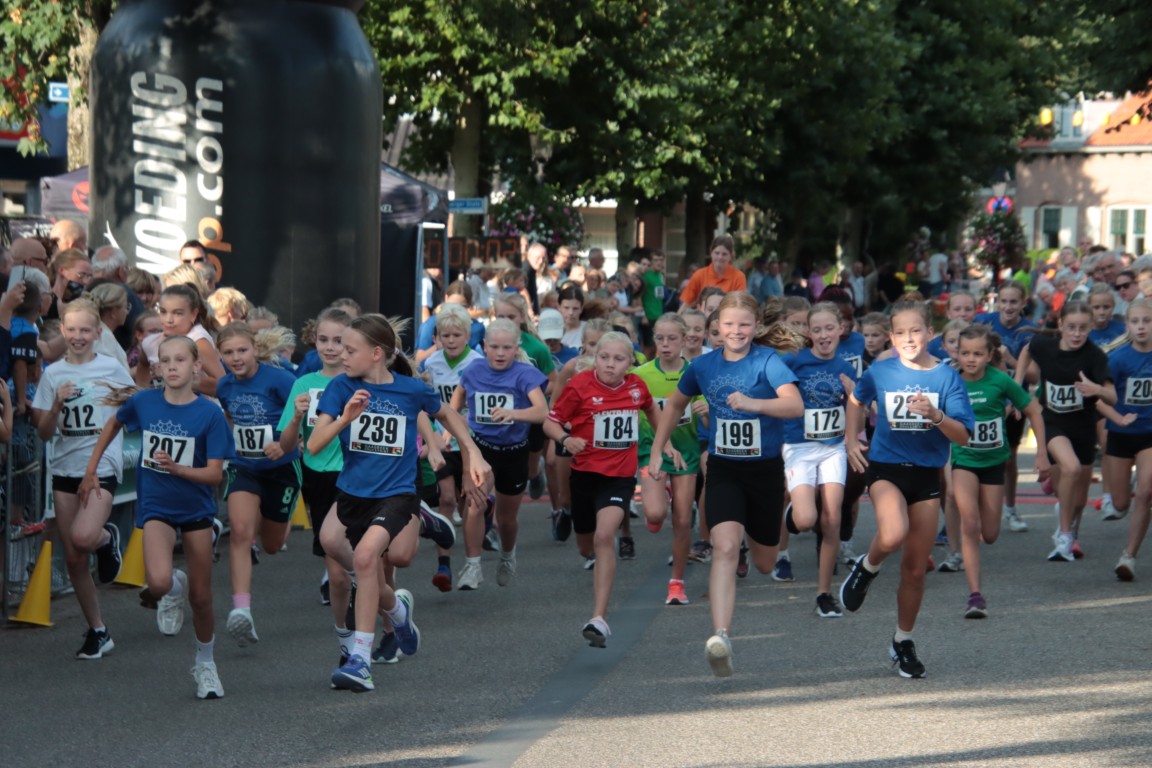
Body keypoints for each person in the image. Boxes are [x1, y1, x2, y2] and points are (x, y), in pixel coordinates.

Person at [308, 314, 490, 692]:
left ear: (376, 353)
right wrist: (345, 419)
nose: (342, 355)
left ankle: (360, 660)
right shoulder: (341, 387)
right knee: (331, 542)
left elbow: (447, 414)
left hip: (396, 494)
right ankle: (396, 609)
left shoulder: (410, 390)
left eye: (350, 349)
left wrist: (472, 453)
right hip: (353, 493)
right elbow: (314, 445)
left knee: (366, 558)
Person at [649, 292, 803, 676]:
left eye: (744, 324)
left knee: (765, 563)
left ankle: (770, 525)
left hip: (765, 471)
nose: (736, 331)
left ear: (756, 326)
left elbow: (794, 405)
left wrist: (755, 404)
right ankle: (721, 638)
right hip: (724, 468)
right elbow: (675, 404)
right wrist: (657, 449)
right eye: (729, 324)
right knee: (725, 546)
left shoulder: (767, 362)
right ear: (716, 327)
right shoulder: (703, 366)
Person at [79, 335, 234, 699]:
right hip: (157, 506)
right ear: (158, 368)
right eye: (166, 360)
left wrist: (177, 469)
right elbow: (114, 424)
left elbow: (214, 475)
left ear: (196, 366)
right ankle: (172, 587)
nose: (173, 366)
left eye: (181, 359)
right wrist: (91, 469)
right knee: (160, 583)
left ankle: (206, 664)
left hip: (196, 508)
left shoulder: (209, 414)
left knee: (202, 597)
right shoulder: (144, 402)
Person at [839, 299, 975, 679]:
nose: (909, 338)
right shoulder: (881, 372)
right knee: (893, 532)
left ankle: (903, 641)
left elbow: (963, 436)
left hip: (926, 476)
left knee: (915, 570)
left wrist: (937, 416)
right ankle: (867, 566)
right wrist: (851, 439)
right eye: (900, 332)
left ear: (930, 333)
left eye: (916, 330)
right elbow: (856, 399)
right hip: (886, 468)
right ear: (891, 337)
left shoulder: (947, 378)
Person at [546, 332, 675, 648]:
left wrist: (663, 444)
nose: (610, 364)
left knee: (605, 537)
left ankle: (599, 618)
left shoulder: (636, 387)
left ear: (630, 363)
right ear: (595, 358)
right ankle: (574, 524)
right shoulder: (580, 385)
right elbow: (550, 422)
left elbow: (652, 411)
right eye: (604, 357)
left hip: (619, 478)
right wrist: (565, 439)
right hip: (583, 476)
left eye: (618, 359)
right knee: (586, 545)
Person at [32, 299, 136, 659]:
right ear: (62, 331)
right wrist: (56, 406)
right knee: (75, 559)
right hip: (65, 468)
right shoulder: (53, 374)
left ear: (97, 332)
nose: (78, 336)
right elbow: (44, 432)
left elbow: (133, 405)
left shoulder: (111, 368)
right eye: (72, 329)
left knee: (83, 536)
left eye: (85, 330)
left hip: (102, 466)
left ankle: (107, 538)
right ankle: (98, 630)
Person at [277, 307, 362, 653]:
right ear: (313, 341)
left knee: (373, 561)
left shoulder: (362, 382)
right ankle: (346, 642)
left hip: (361, 478)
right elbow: (286, 446)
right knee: (339, 576)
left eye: (338, 341)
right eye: (323, 339)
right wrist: (296, 418)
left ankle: (388, 626)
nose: (330, 347)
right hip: (320, 481)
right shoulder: (304, 385)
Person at [214, 322, 303, 647]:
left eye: (242, 350)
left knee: (272, 545)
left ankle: (277, 517)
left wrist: (286, 444)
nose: (236, 358)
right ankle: (242, 609)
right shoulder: (224, 386)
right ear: (220, 355)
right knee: (240, 531)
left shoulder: (280, 380)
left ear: (255, 349)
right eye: (228, 353)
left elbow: (306, 417)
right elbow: (230, 417)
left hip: (282, 468)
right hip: (245, 467)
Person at [950, 325, 1047, 617]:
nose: (971, 359)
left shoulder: (1000, 380)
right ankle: (975, 596)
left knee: (990, 534)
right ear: (957, 354)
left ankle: (982, 518)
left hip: (993, 463)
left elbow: (1034, 411)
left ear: (990, 354)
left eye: (978, 354)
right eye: (965, 353)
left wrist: (1042, 452)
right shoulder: (951, 381)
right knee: (970, 524)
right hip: (964, 460)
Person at [451, 318, 549, 589]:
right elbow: (455, 403)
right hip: (481, 450)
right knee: (475, 505)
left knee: (506, 520)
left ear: (516, 348)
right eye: (494, 347)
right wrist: (450, 429)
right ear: (484, 346)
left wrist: (513, 414)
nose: (500, 353)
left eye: (507, 348)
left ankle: (507, 555)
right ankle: (472, 566)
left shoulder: (525, 374)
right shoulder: (473, 370)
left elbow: (542, 412)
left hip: (514, 452)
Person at [1015, 301, 1115, 562]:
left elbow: (1112, 396)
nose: (1077, 333)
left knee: (1078, 498)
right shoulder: (1045, 346)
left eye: (1083, 328)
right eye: (1071, 327)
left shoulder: (1095, 356)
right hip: (1052, 422)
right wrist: (1016, 385)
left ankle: (1070, 528)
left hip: (1083, 427)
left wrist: (1097, 389)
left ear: (1090, 328)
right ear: (1060, 325)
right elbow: (1027, 350)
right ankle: (1065, 536)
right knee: (1070, 468)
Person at [781, 302, 857, 617]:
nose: (824, 335)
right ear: (809, 333)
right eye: (817, 330)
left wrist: (855, 397)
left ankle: (824, 594)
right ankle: (792, 514)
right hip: (799, 446)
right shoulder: (793, 362)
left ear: (841, 329)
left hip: (833, 448)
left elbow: (858, 416)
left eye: (829, 328)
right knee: (805, 521)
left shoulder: (847, 369)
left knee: (832, 519)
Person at [634, 313, 703, 606]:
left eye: (672, 338)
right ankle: (660, 498)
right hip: (653, 451)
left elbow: (708, 419)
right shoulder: (640, 375)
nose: (665, 344)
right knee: (654, 514)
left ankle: (677, 583)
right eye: (659, 338)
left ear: (684, 339)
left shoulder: (696, 372)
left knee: (683, 520)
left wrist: (705, 410)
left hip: (686, 452)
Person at [417, 303, 485, 589]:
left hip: (470, 442)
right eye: (445, 336)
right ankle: (443, 564)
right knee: (446, 499)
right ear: (437, 338)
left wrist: (461, 428)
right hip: (441, 441)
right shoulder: (431, 364)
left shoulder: (478, 363)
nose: (452, 340)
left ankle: (473, 555)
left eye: (457, 335)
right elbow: (427, 404)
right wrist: (433, 437)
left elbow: (477, 407)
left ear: (468, 336)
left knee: (468, 500)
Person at [974, 280, 1037, 533]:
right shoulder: (984, 323)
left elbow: (1035, 376)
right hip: (984, 397)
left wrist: (1010, 358)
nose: (1008, 306)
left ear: (1023, 303)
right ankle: (978, 508)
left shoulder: (1029, 331)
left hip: (1014, 400)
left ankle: (1010, 508)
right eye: (1004, 301)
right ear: (997, 302)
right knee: (976, 453)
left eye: (1014, 302)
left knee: (1009, 457)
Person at [1097, 299, 1152, 579]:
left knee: (1145, 493)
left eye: (1147, 321)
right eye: (1135, 321)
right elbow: (1099, 400)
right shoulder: (1117, 359)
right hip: (1120, 434)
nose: (1141, 327)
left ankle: (1128, 556)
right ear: (1127, 325)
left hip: (1149, 435)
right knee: (1120, 504)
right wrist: (1118, 418)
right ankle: (1131, 484)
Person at [143, 284, 225, 396]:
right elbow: (142, 365)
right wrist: (143, 395)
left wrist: (177, 376)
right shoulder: (150, 342)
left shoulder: (198, 341)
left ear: (193, 314)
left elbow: (224, 387)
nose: (169, 320)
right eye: (163, 312)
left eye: (178, 313)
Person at [678, 235, 747, 309]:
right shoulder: (699, 275)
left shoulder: (738, 277)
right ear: (711, 253)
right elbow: (686, 303)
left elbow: (741, 305)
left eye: (724, 254)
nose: (720, 257)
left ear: (731, 256)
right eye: (717, 253)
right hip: (703, 316)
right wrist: (677, 316)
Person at [84, 283, 131, 372]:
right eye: (126, 307)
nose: (127, 312)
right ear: (114, 312)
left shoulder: (99, 333)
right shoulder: (103, 338)